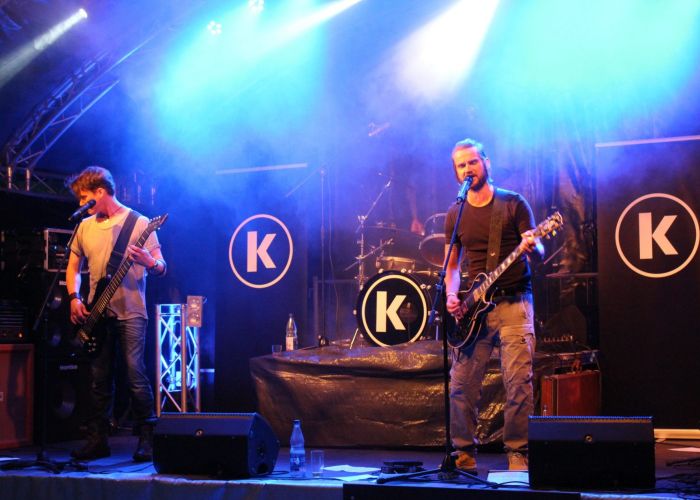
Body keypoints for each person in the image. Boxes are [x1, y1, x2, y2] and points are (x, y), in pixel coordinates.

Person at [443, 139, 543, 473]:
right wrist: (452, 295)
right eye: (461, 165)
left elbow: (539, 248)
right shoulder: (455, 213)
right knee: (460, 384)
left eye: (472, 162)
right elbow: (452, 266)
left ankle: (518, 453)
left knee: (518, 383)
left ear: (486, 162)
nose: (467, 169)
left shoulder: (513, 203)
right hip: (475, 309)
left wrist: (533, 245)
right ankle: (463, 453)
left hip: (515, 301)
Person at [65, 166, 166, 462]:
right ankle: (98, 439)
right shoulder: (84, 226)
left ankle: (147, 436)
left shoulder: (140, 223)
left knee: (135, 374)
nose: (81, 204)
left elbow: (162, 266)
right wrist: (73, 298)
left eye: (84, 197)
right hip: (96, 312)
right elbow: (73, 268)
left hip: (131, 311)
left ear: (100, 192)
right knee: (99, 379)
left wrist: (149, 261)